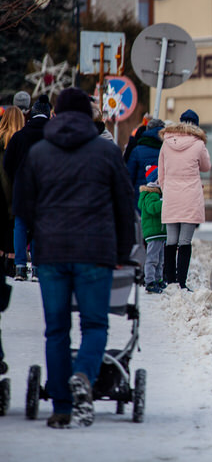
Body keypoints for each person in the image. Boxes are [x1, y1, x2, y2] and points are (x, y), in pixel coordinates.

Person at [14, 87, 136, 429]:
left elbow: (23, 207)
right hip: (96, 253)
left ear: (55, 115)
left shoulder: (38, 153)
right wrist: (122, 253)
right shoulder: (106, 152)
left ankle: (62, 408)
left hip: (51, 255)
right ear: (90, 116)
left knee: (56, 330)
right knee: (94, 324)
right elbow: (125, 207)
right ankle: (83, 374)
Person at [158, 109, 211, 291]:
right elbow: (206, 166)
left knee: (171, 239)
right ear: (195, 125)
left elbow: (161, 174)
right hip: (190, 197)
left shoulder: (166, 143)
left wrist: (168, 190)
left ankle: (170, 280)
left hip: (171, 196)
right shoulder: (198, 144)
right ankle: (181, 282)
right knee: (185, 242)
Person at [4, 95, 52, 282]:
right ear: (48, 114)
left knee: (20, 226)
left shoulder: (19, 136)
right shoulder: (52, 135)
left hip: (22, 187)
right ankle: (38, 268)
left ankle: (20, 267)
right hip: (45, 189)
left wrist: (17, 178)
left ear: (31, 114)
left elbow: (7, 164)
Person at [0, 107, 25, 276]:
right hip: (16, 188)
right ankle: (12, 259)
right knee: (15, 224)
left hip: (1, 185)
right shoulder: (21, 139)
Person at [138, 165, 166, 294]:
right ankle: (149, 281)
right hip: (153, 232)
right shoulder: (151, 194)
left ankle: (158, 279)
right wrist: (165, 202)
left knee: (160, 259)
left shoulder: (156, 194)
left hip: (158, 232)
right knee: (152, 258)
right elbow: (152, 208)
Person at [126, 118, 165, 206]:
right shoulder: (169, 149)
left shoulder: (137, 150)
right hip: (163, 201)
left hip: (141, 199)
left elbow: (129, 178)